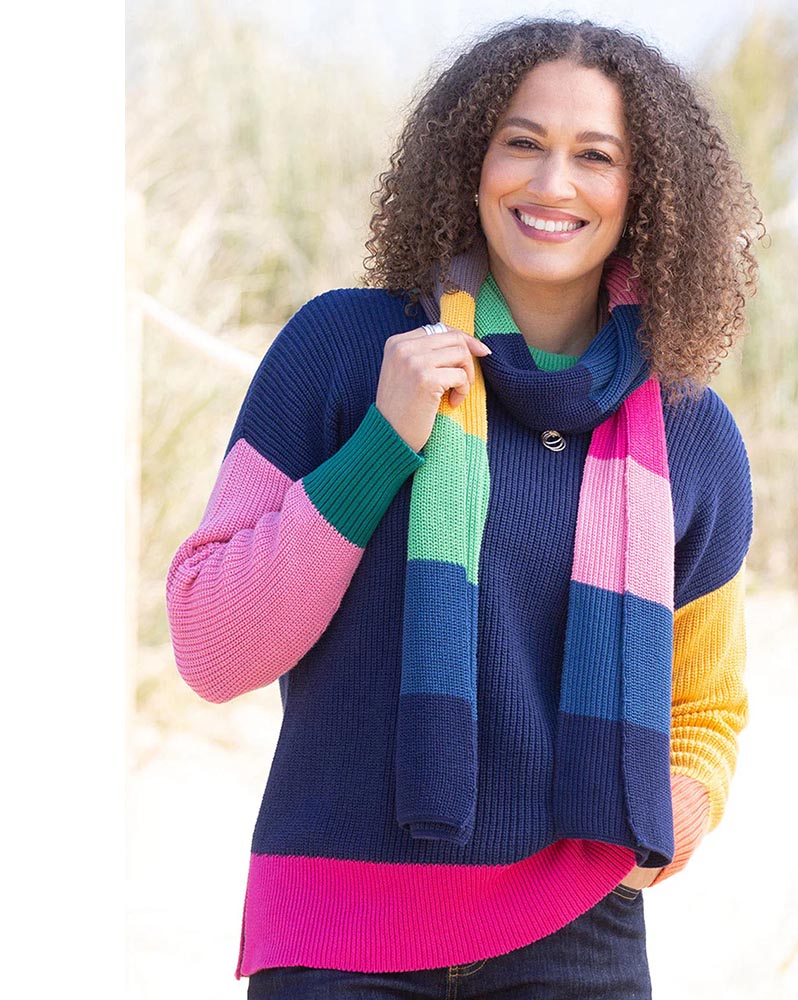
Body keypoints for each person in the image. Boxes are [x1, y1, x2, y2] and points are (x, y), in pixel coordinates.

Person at [166, 16, 763, 1000]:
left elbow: (704, 704)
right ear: (469, 157)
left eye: (594, 156)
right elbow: (211, 642)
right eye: (520, 142)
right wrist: (381, 444)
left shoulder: (690, 434)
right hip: (338, 926)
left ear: (643, 192)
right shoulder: (339, 349)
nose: (548, 184)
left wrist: (668, 823)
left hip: (574, 936)